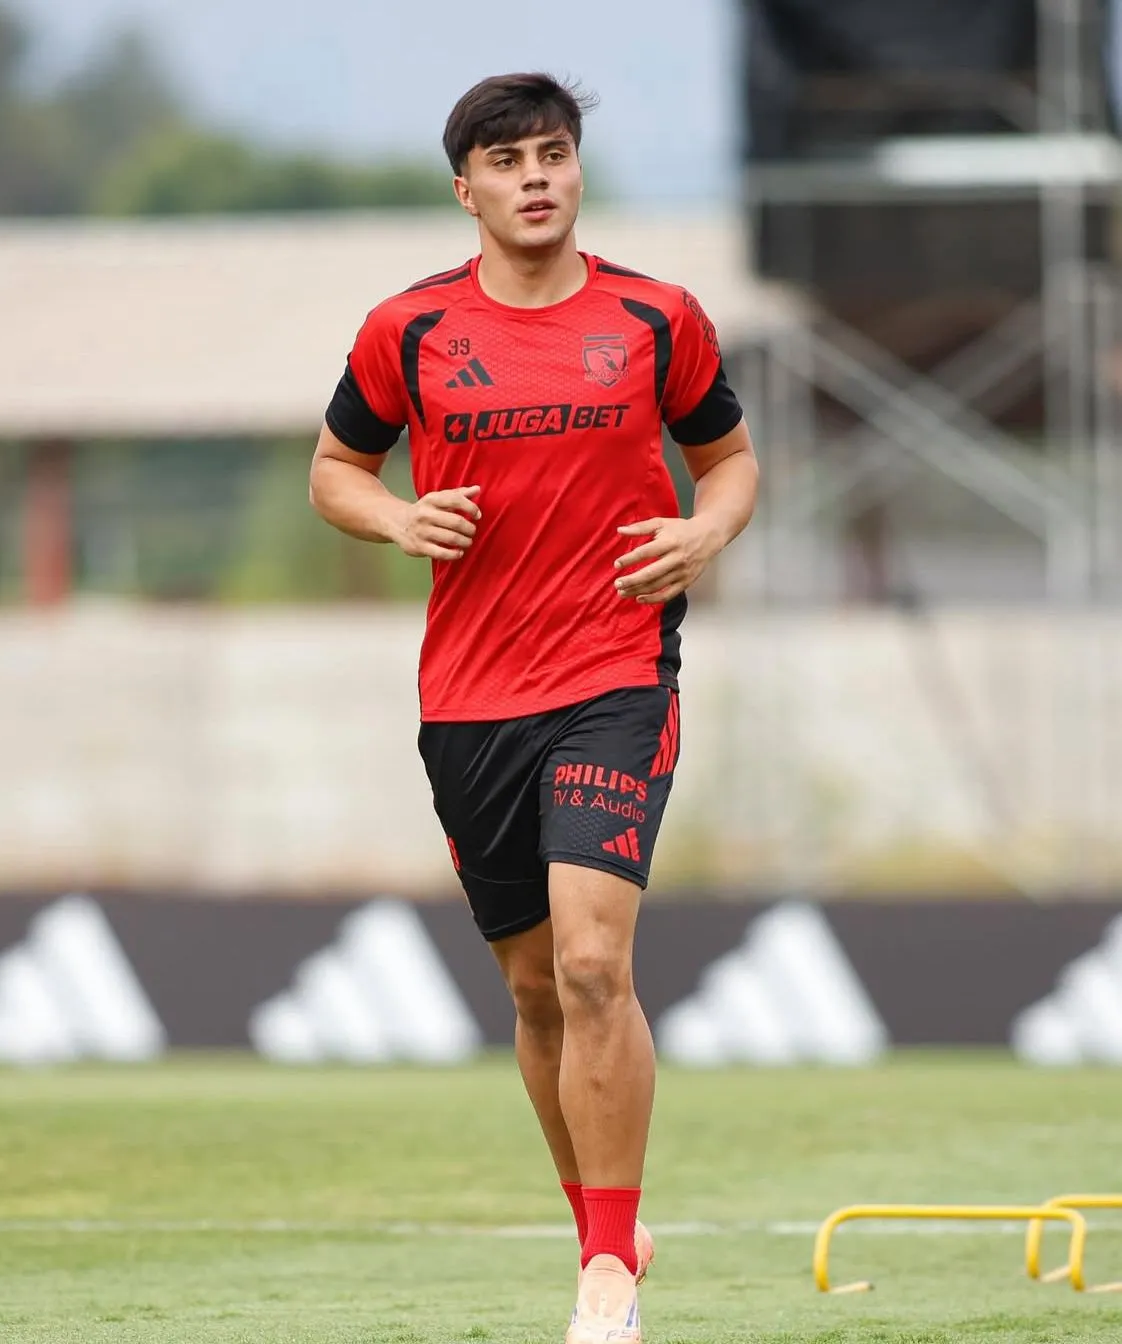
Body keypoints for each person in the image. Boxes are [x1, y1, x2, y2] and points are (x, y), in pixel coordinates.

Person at [309, 71, 758, 1344]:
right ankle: (602, 1225)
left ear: (577, 170)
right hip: (467, 699)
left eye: (553, 153)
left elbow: (729, 459)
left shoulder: (658, 319)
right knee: (534, 996)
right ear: (468, 189)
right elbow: (335, 469)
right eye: (507, 162)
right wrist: (397, 515)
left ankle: (607, 1276)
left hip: (616, 676)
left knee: (593, 961)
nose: (536, 177)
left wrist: (705, 531)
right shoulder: (408, 332)